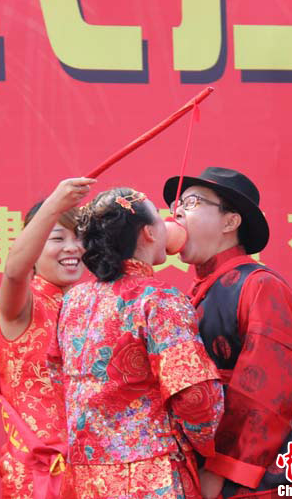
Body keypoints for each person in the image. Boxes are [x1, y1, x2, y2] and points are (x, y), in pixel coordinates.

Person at [47, 187, 224, 499]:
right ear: (148, 233)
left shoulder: (73, 300)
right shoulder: (159, 299)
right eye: (159, 219)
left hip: (85, 479)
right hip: (150, 477)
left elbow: (57, 377)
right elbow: (195, 397)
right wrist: (205, 445)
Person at [163, 167, 292, 499]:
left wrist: (220, 471)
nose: (177, 213)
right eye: (176, 205)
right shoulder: (193, 294)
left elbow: (265, 393)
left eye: (191, 202)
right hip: (202, 466)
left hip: (256, 475)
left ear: (230, 222)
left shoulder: (260, 286)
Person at [0, 177, 94, 499]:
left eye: (79, 237)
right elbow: (14, 272)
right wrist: (54, 206)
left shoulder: (91, 307)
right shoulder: (22, 306)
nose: (72, 247)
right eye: (57, 238)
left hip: (93, 476)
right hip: (37, 481)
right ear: (34, 249)